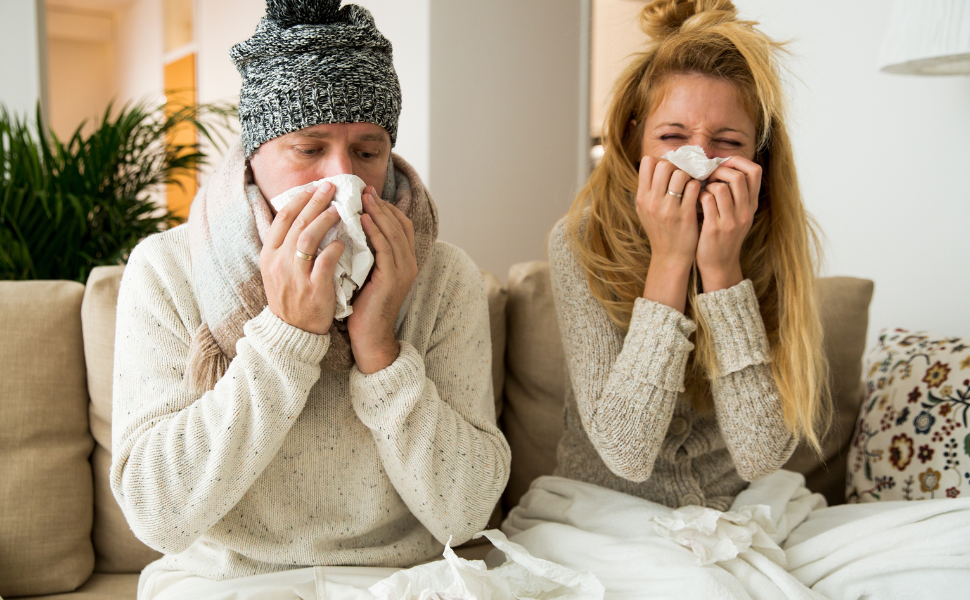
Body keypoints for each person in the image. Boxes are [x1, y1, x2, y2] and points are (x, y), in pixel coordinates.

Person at [109, 0, 510, 596]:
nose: (341, 179)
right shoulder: (167, 270)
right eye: (308, 149)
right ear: (255, 155)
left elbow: (464, 513)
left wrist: (379, 349)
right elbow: (157, 513)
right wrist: (286, 336)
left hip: (398, 581)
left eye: (368, 152)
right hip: (222, 582)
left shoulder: (443, 275)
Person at [549, 0, 830, 511]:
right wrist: (671, 261)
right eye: (673, 137)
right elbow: (625, 452)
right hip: (604, 510)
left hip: (735, 510)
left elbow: (761, 455)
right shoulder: (581, 238)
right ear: (633, 136)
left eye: (726, 141)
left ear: (758, 157)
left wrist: (723, 271)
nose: (698, 160)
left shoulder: (779, 242)